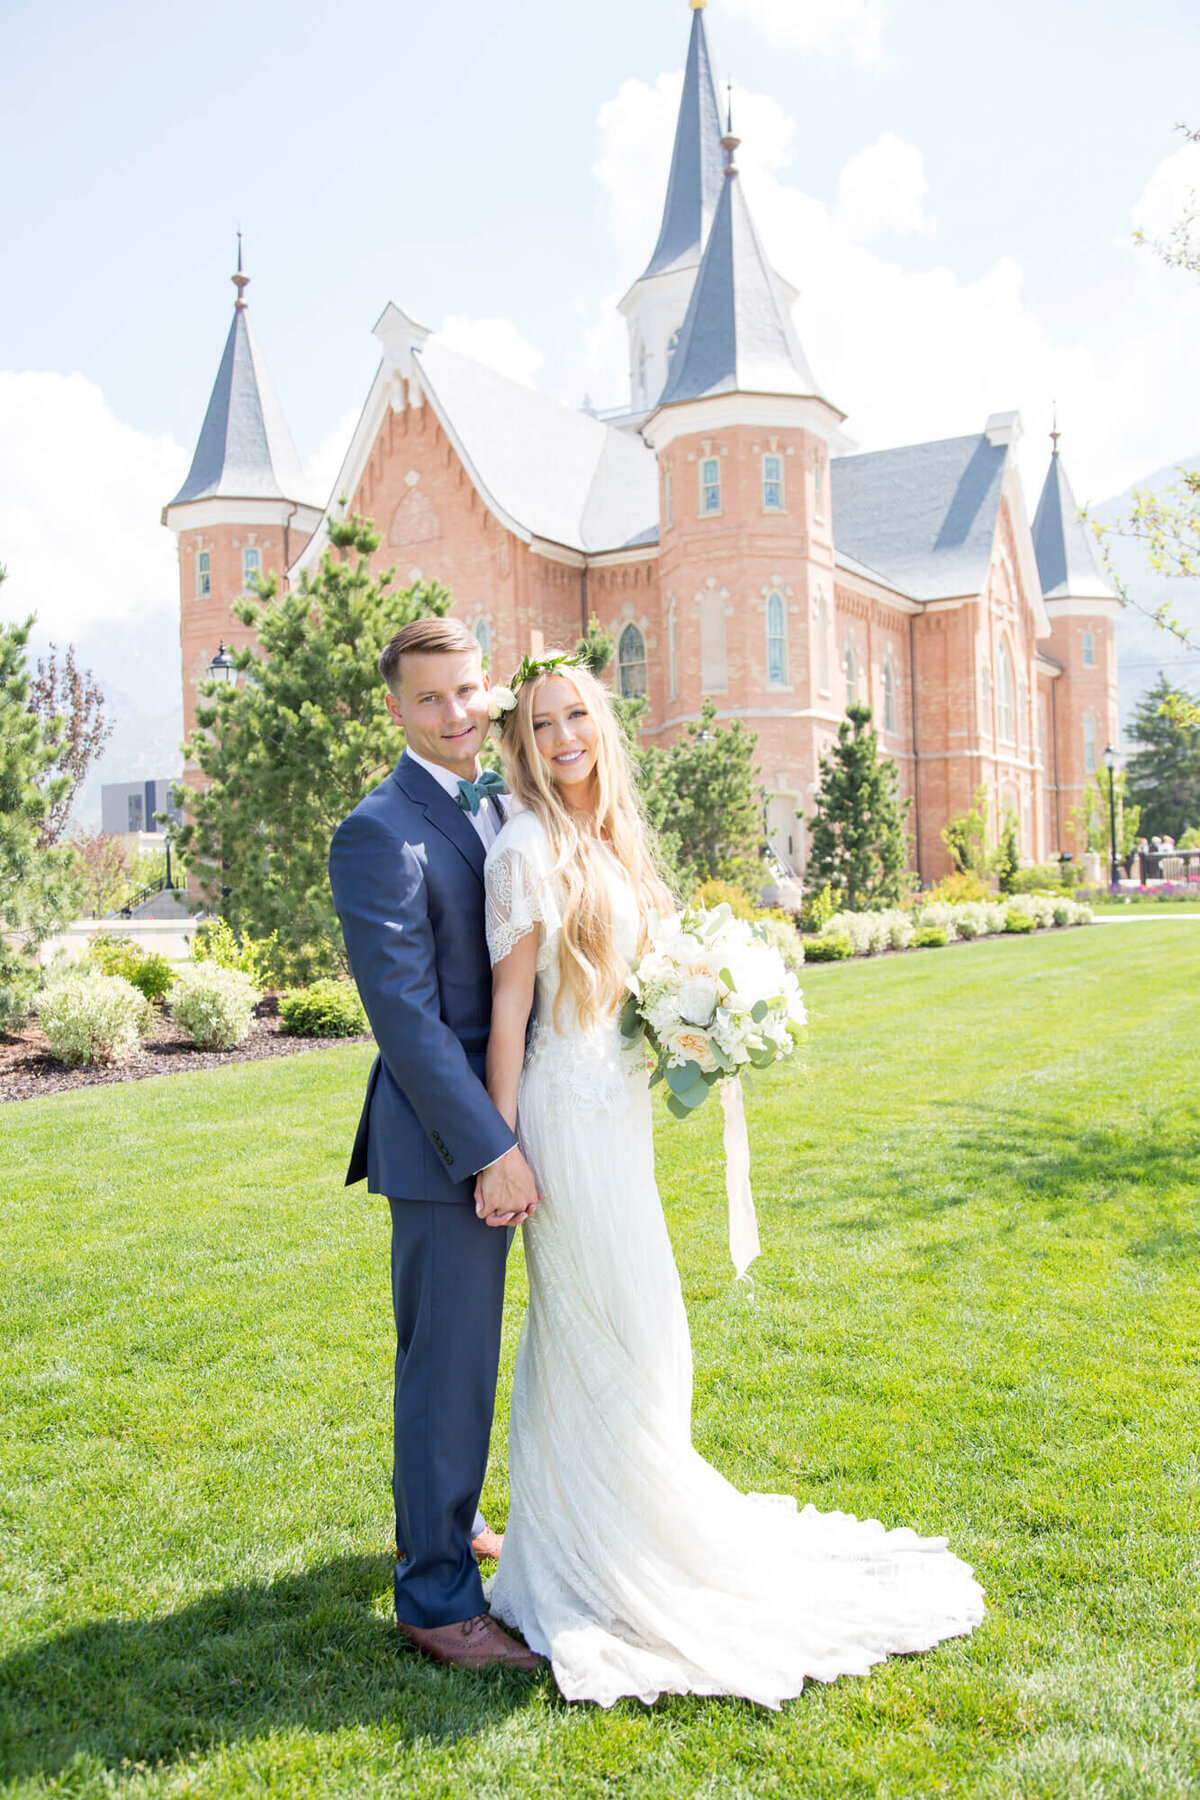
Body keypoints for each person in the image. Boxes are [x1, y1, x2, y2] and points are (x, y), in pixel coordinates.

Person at [480, 652, 986, 1708]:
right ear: (521, 743)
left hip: (617, 1115)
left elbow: (637, 981)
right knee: (598, 1326)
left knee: (649, 1326)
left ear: (600, 725)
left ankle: (625, 1520)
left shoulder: (608, 840)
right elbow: (511, 1015)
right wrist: (502, 1145)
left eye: (576, 716)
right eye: (542, 724)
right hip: (564, 1123)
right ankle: (596, 1551)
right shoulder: (526, 849)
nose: (563, 737)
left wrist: (704, 1014)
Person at [328, 616, 543, 1673]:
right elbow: (406, 1019)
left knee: (462, 1364)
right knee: (445, 1371)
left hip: (512, 1120)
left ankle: (446, 1528)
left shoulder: (501, 798)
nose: (455, 714)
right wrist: (490, 1147)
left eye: (468, 691)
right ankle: (437, 1600)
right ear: (396, 709)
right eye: (430, 699)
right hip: (445, 1143)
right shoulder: (379, 829)